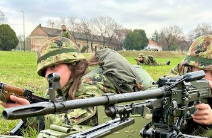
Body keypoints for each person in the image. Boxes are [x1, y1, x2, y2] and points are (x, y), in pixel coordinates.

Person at [1, 37, 153, 130]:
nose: (48, 74)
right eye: (44, 71)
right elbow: (57, 109)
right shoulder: (63, 84)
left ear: (72, 64)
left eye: (54, 66)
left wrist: (30, 115)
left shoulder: (90, 82)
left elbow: (85, 121)